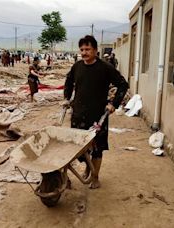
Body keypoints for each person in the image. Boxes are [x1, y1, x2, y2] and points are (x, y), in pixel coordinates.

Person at [63, 35, 128, 189]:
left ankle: (95, 177)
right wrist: (67, 98)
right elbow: (68, 81)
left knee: (97, 148)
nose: (84, 52)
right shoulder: (77, 66)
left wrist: (114, 103)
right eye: (82, 50)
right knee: (79, 148)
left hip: (99, 115)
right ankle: (87, 166)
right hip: (78, 114)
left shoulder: (105, 68)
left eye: (88, 49)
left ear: (95, 50)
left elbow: (123, 84)